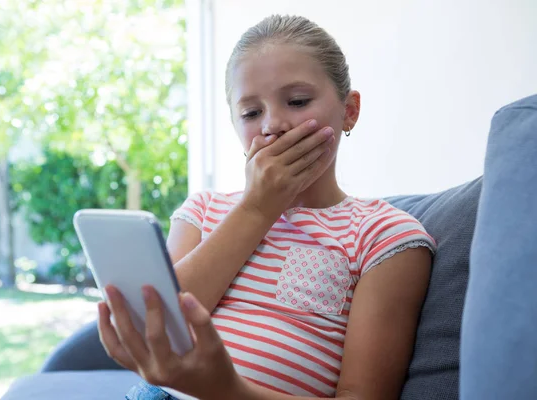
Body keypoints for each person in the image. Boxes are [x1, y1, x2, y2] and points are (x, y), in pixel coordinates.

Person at [98, 14, 436, 400]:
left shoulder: (384, 235)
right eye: (251, 113)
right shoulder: (204, 210)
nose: (273, 124)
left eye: (296, 101)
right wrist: (257, 208)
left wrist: (228, 391)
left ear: (349, 110)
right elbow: (158, 328)